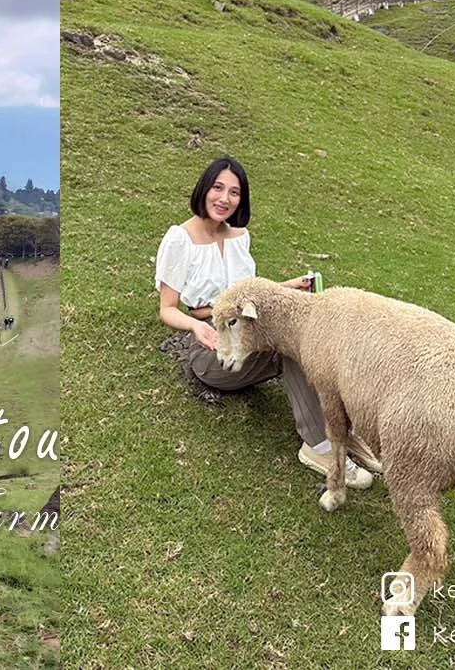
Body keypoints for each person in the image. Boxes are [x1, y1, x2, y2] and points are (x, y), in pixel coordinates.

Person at [154, 156, 379, 488]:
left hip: (251, 333)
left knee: (307, 335)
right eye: (218, 188)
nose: (224, 199)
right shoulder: (180, 239)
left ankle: (342, 430)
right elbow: (167, 308)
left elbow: (250, 293)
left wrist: (288, 287)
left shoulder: (239, 236)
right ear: (204, 189)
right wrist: (195, 326)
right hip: (216, 347)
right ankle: (318, 446)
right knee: (291, 345)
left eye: (234, 192)